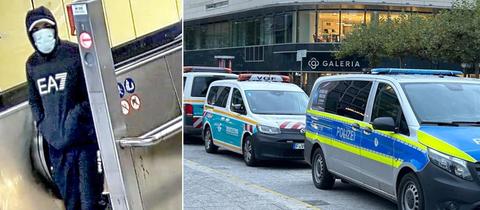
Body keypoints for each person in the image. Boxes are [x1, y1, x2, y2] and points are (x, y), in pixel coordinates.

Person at [25, 6, 104, 210]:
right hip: (57, 150)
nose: (43, 35)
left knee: (90, 202)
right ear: (30, 36)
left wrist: (75, 118)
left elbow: (90, 93)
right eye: (37, 31)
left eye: (47, 28)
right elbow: (34, 100)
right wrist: (44, 124)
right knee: (71, 203)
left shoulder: (73, 54)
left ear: (54, 28)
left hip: (84, 143)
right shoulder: (32, 65)